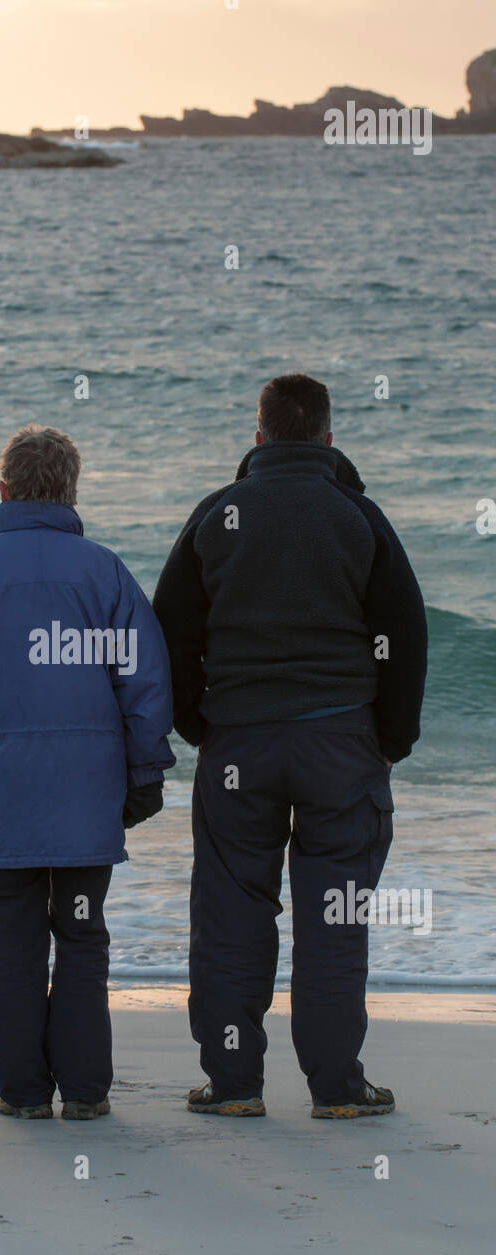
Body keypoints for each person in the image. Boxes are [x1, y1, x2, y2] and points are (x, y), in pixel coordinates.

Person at [153, 374, 428, 1120]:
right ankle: (337, 1087)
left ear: (258, 438)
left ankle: (235, 1085)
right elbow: (402, 632)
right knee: (335, 913)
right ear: (328, 441)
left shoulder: (219, 514)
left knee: (232, 914)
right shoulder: (355, 515)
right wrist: (390, 739)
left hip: (240, 742)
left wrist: (196, 723)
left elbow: (169, 626)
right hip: (340, 740)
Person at [0, 425, 175, 1120]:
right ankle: (85, 1092)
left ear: (3, 490)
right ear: (71, 489)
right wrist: (145, 770)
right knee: (82, 935)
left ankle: (22, 1093)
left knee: (8, 942)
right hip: (88, 791)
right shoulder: (104, 571)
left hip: (3, 785)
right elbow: (143, 681)